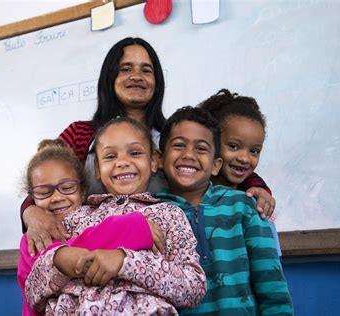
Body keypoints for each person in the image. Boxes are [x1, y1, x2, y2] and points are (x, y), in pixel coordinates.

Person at [21, 37, 273, 256]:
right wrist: (30, 212)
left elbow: (210, 166)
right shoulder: (80, 134)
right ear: (110, 78)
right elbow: (44, 180)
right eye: (125, 69)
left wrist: (255, 186)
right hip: (92, 253)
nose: (136, 77)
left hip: (159, 253)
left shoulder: (170, 136)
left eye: (146, 70)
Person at [25, 117, 206, 314]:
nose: (122, 162)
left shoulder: (169, 215)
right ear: (96, 169)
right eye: (110, 156)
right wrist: (59, 258)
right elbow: (32, 292)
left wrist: (124, 262)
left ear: (154, 161)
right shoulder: (74, 217)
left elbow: (193, 288)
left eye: (135, 153)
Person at [155, 106, 294, 314]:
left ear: (216, 165)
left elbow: (273, 290)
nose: (189, 155)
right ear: (158, 159)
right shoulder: (150, 214)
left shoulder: (245, 207)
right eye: (179, 145)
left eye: (201, 148)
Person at [17, 139, 165, 316]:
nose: (56, 198)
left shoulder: (96, 217)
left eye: (67, 187)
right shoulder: (32, 239)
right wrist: (133, 228)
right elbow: (75, 254)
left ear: (83, 190)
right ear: (32, 197)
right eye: (43, 192)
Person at [198, 89, 281, 254]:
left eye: (255, 151)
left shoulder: (257, 206)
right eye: (234, 146)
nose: (244, 158)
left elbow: (271, 266)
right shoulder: (191, 195)